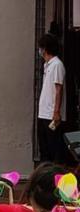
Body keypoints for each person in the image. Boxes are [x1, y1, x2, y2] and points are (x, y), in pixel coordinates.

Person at [38, 33, 68, 164]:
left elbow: (58, 89)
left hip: (51, 115)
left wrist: (56, 112)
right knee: (44, 149)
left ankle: (54, 177)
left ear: (45, 48)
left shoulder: (57, 64)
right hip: (43, 113)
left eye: (41, 48)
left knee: (53, 149)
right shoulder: (47, 65)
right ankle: (44, 177)